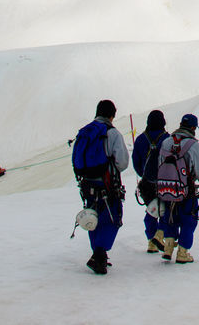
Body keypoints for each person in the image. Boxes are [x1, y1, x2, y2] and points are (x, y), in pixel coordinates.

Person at [74, 99, 130, 275]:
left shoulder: (85, 132)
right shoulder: (112, 133)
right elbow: (122, 163)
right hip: (107, 183)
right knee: (112, 218)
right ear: (112, 115)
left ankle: (99, 253)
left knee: (94, 216)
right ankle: (99, 255)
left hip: (87, 183)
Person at [158, 113, 199, 264]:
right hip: (187, 190)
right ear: (194, 127)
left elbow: (160, 164)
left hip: (167, 189)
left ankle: (168, 247)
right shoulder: (193, 145)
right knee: (189, 219)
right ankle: (183, 252)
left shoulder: (166, 142)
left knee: (170, 216)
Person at [131, 109, 169, 253]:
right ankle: (160, 235)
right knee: (167, 210)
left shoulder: (141, 139)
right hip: (165, 181)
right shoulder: (167, 138)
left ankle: (151, 241)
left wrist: (144, 175)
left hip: (147, 183)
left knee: (151, 210)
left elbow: (136, 162)